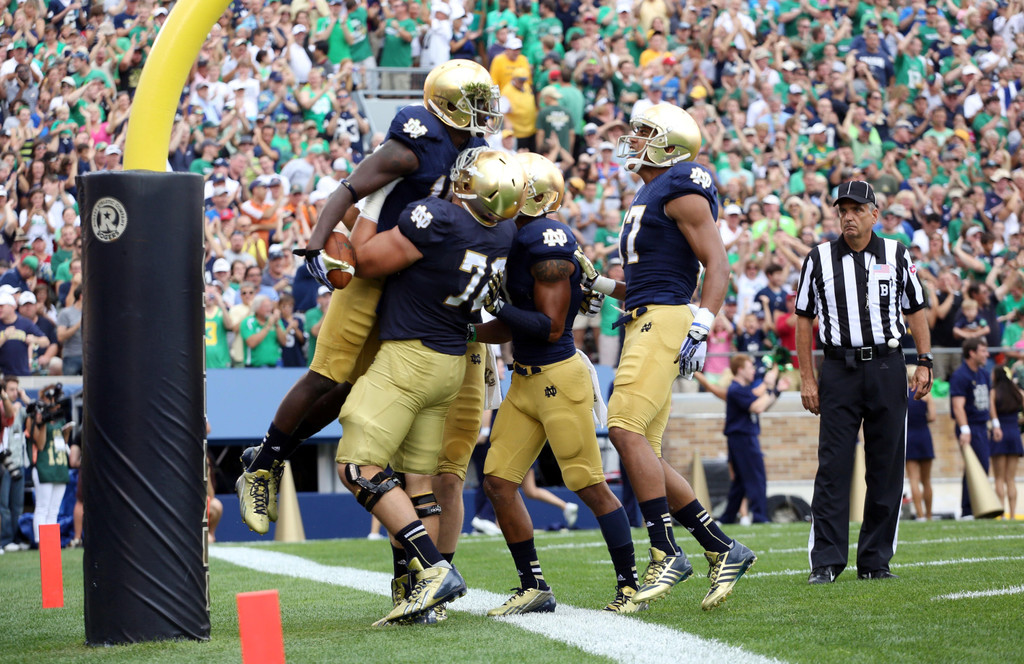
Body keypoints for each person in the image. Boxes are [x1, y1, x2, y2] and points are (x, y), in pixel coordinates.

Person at [236, 60, 501, 535]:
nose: (483, 111)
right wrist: (317, 242)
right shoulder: (415, 142)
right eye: (473, 102)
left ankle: (272, 456)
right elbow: (351, 187)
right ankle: (263, 465)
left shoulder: (477, 149)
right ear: (445, 105)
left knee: (351, 392)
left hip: (417, 278)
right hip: (375, 266)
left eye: (485, 101)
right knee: (328, 375)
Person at [335, 148, 523, 626]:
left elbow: (364, 261)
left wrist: (369, 208)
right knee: (421, 485)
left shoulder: (439, 218)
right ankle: (421, 599)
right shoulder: (503, 229)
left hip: (411, 357)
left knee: (358, 467)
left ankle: (435, 569)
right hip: (452, 362)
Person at [580, 104, 757, 611]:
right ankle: (722, 548)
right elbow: (641, 281)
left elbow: (716, 261)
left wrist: (705, 320)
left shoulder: (681, 183)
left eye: (642, 132)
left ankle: (664, 550)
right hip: (646, 315)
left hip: (665, 319)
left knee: (623, 428)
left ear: (669, 143)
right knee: (646, 452)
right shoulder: (649, 192)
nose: (632, 139)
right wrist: (601, 284)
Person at [472, 152, 643, 615]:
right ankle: (534, 586)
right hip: (524, 379)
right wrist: (467, 329)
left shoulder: (548, 241)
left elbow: (546, 325)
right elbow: (512, 326)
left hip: (556, 376)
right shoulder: (521, 235)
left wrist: (495, 305)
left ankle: (630, 586)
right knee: (498, 482)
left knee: (587, 484)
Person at [795, 180, 932, 584]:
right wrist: (807, 376)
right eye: (843, 210)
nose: (848, 217)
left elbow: (916, 307)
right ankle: (826, 561)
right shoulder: (818, 258)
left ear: (875, 213)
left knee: (886, 467)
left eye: (857, 209)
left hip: (889, 365)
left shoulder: (896, 253)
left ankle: (875, 560)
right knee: (833, 466)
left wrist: (923, 362)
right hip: (838, 369)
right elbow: (804, 317)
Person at [695, 355, 786, 525]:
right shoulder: (736, 389)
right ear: (740, 370)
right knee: (757, 477)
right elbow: (757, 407)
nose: (753, 370)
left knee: (740, 482)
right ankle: (760, 517)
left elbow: (762, 404)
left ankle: (727, 518)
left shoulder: (744, 389)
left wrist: (776, 391)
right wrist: (769, 387)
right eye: (750, 367)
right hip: (743, 438)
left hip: (742, 438)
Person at [950, 338, 999, 519]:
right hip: (969, 426)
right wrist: (965, 429)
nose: (987, 354)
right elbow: (958, 406)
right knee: (977, 467)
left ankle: (972, 508)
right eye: (983, 351)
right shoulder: (961, 375)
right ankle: (968, 510)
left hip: (981, 425)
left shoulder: (984, 374)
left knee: (979, 467)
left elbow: (990, 400)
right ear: (972, 353)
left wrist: (995, 423)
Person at [29, 384, 70, 545]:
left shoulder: (60, 419)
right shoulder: (36, 417)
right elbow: (40, 445)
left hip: (59, 466)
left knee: (54, 509)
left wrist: (66, 433)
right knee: (42, 507)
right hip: (44, 466)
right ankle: (40, 541)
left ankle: (51, 542)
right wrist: (43, 422)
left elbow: (61, 445)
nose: (55, 405)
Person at [0, 376, 29, 551]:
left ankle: (15, 539)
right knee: (3, 505)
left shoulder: (20, 409)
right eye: (11, 389)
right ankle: (4, 539)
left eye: (16, 389)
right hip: (3, 462)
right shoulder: (4, 408)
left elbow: (39, 411)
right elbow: (8, 416)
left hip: (17, 462)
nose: (14, 393)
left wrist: (24, 397)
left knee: (16, 505)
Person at [989, 367, 1022, 520]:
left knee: (999, 479)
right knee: (1011, 479)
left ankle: (1001, 514)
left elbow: (992, 413)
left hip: (999, 434)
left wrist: (996, 427)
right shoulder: (1017, 392)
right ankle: (1013, 514)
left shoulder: (994, 392)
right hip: (1014, 433)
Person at [905, 363, 936, 521]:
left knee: (913, 479)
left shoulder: (902, 395)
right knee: (926, 480)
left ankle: (920, 515)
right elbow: (932, 417)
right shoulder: (926, 395)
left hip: (909, 437)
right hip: (924, 436)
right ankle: (929, 514)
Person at [0, 291, 51, 377]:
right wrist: (4, 336)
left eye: (2, 306)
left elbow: (46, 341)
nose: (0, 309)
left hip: (23, 373)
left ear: (12, 306)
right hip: (3, 375)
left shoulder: (25, 323)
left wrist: (35, 339)